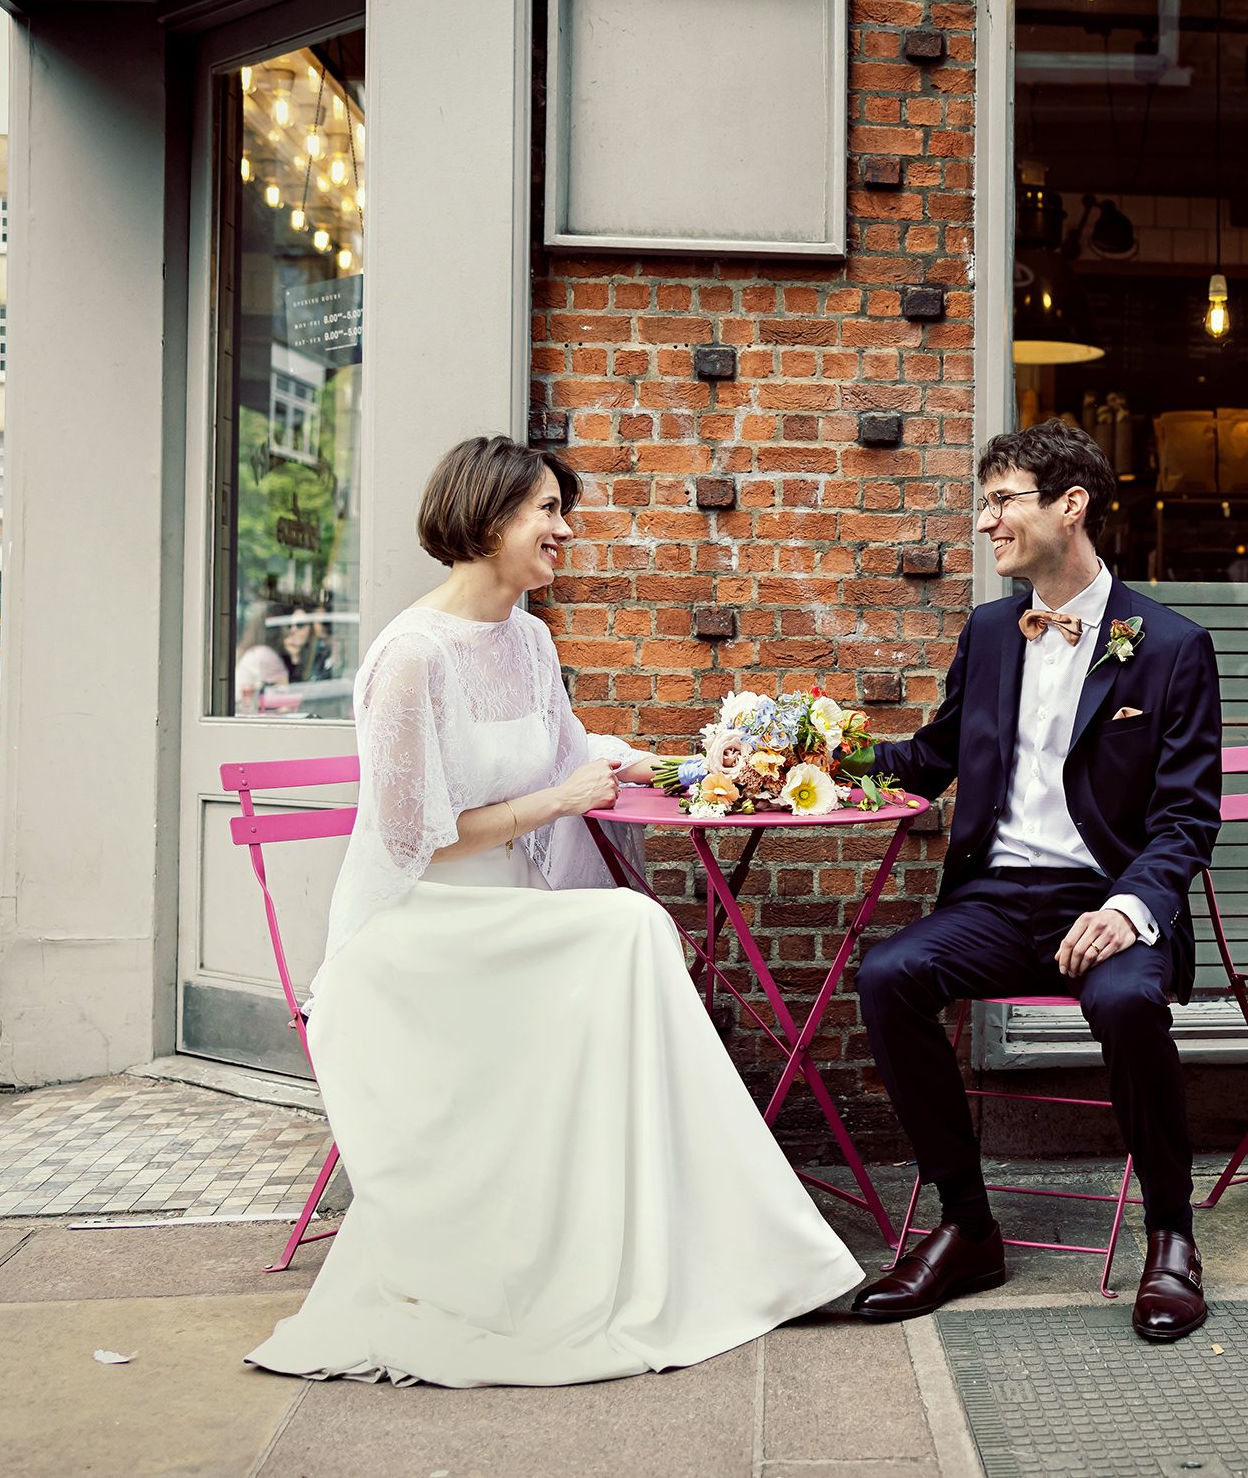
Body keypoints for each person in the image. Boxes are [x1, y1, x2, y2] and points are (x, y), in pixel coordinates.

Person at [245, 435, 863, 1388]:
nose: (564, 529)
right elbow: (415, 840)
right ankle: (735, 1243)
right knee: (632, 931)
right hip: (415, 936)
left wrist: (707, 769)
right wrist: (557, 802)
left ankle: (714, 1246)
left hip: (508, 924)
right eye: (546, 511)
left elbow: (577, 754)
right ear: (489, 522)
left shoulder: (531, 639)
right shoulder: (409, 659)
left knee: (629, 938)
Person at [849, 421, 1224, 1342]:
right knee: (891, 976)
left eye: (1003, 499)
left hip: (1106, 898)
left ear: (1071, 506)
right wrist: (814, 755)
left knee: (1128, 1004)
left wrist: (1131, 908)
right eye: (986, 503)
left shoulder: (1171, 647)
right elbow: (932, 758)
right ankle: (968, 1229)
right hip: (996, 899)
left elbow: (1186, 819)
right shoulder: (988, 633)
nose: (987, 522)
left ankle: (1171, 1235)